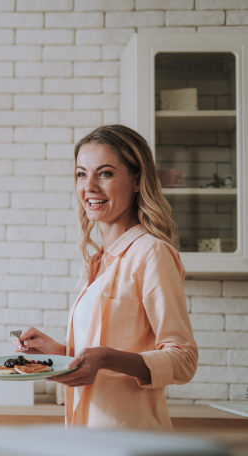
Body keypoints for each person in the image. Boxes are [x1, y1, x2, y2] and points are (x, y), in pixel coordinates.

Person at [13, 124, 198, 429]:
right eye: (81, 174)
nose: (90, 187)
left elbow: (184, 359)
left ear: (137, 180)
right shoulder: (99, 261)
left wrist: (106, 357)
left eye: (105, 173)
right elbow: (100, 357)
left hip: (132, 441)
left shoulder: (152, 253)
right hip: (86, 440)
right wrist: (58, 353)